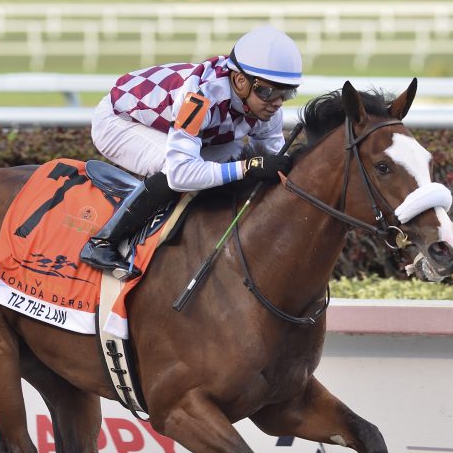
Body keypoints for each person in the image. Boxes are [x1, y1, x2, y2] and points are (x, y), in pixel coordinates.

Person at [81, 25, 303, 278]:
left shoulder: (266, 109)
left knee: (226, 165)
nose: (277, 103)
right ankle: (102, 242)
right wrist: (248, 167)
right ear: (241, 81)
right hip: (118, 121)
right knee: (175, 168)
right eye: (268, 92)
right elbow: (180, 174)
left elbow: (275, 162)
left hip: (178, 124)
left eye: (287, 93)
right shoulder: (199, 98)